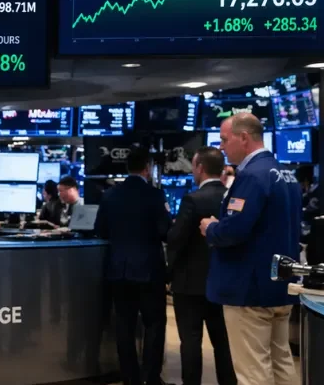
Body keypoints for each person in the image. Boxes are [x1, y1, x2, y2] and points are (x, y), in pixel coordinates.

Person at [202, 113, 301, 385]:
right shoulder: (286, 174)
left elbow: (234, 230)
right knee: (281, 363)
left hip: (249, 289)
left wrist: (211, 228)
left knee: (253, 372)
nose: (221, 147)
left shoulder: (251, 176)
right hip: (280, 285)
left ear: (244, 137)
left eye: (224, 140)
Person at [94, 147, 170, 385]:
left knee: (124, 326)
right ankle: (151, 377)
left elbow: (100, 230)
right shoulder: (155, 195)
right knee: (154, 325)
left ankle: (130, 378)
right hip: (149, 271)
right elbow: (165, 231)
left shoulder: (110, 195)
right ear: (147, 168)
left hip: (119, 271)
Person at [166, 147, 236, 385]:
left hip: (189, 285)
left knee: (191, 342)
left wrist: (169, 271)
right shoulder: (232, 198)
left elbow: (175, 239)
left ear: (200, 168)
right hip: (223, 283)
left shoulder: (192, 200)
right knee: (223, 343)